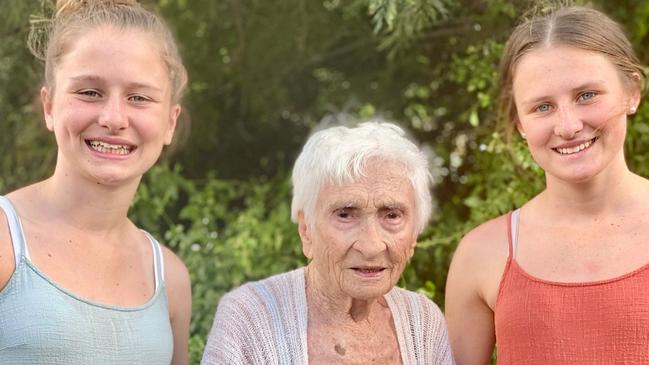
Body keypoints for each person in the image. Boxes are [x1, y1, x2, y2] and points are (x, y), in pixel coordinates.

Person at [445, 5, 648, 364]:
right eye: (542, 107)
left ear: (632, 91)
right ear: (519, 122)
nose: (568, 126)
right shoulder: (481, 255)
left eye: (587, 95)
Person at [0, 1, 191, 364]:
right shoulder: (4, 240)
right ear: (50, 106)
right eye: (90, 92)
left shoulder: (170, 278)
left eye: (139, 98)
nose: (114, 118)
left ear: (170, 122)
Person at [201, 121, 454, 364]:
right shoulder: (250, 318)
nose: (371, 245)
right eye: (345, 214)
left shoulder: (422, 322)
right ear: (306, 230)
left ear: (414, 236)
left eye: (392, 215)